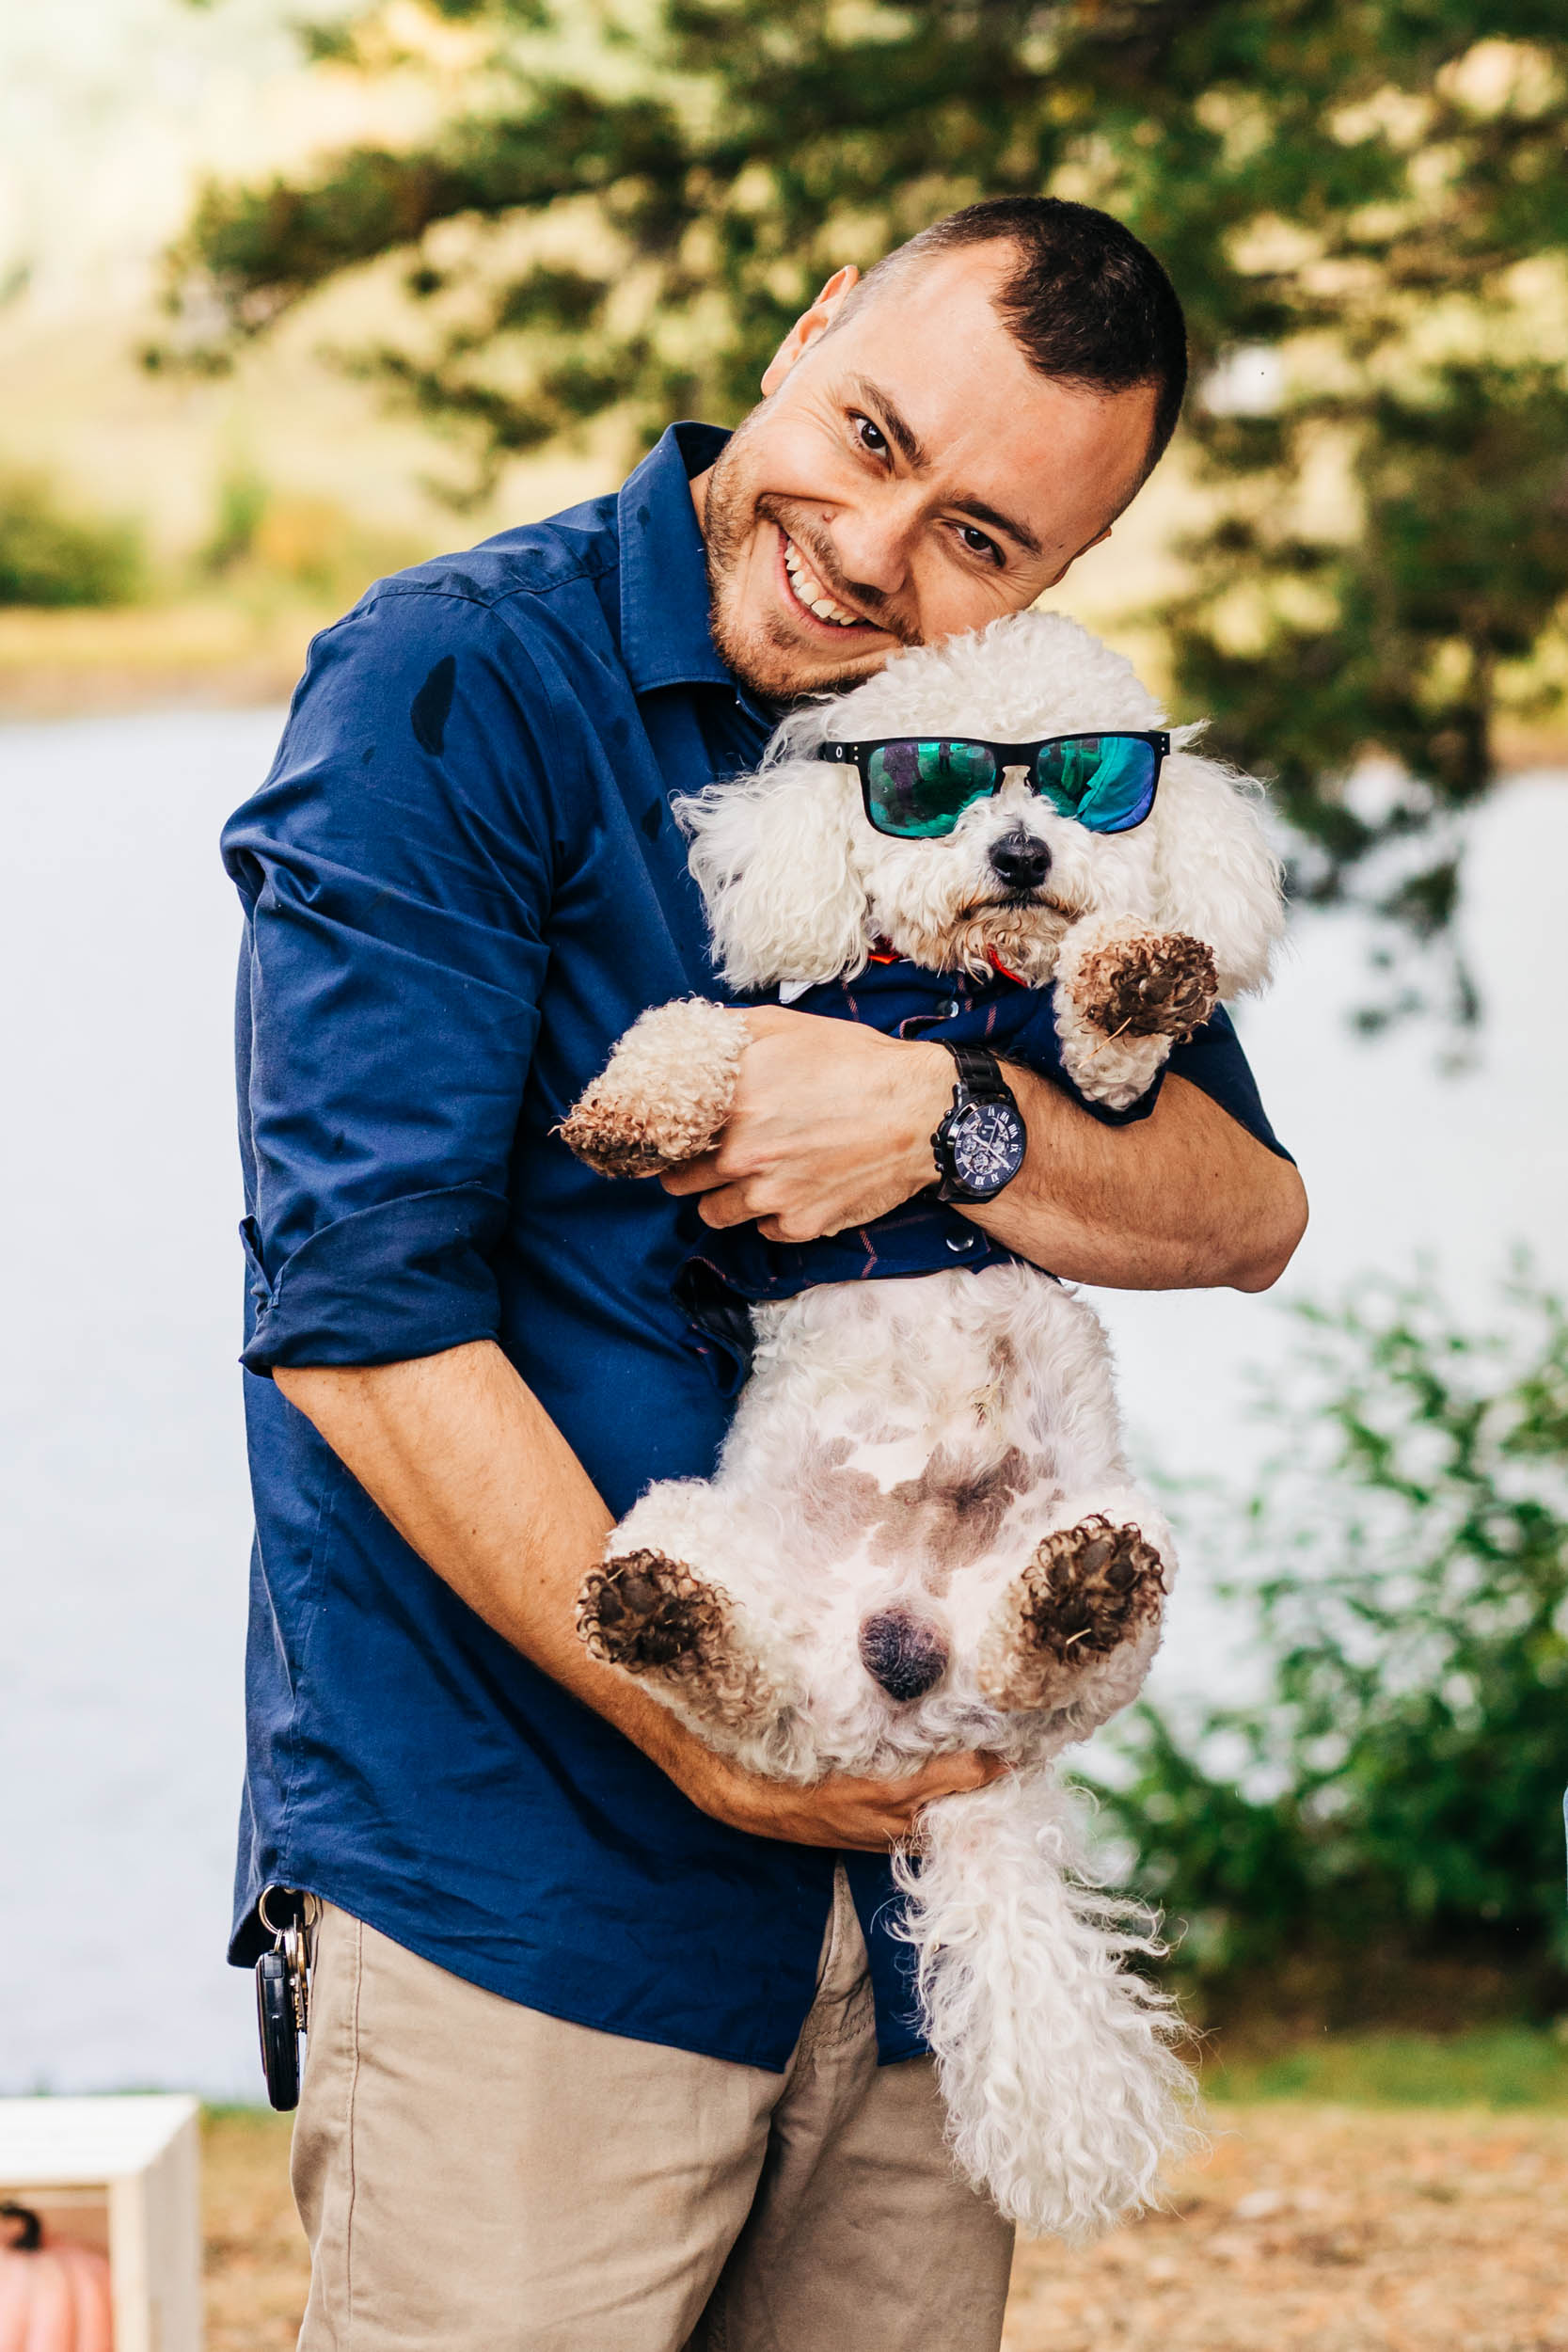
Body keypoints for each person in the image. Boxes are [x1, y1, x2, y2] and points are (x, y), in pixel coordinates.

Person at [223, 196, 1307, 2351]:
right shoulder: (451, 681)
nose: (876, 549)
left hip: (914, 1907)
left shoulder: (1007, 749)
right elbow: (354, 1314)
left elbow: (1236, 1204)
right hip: (533, 1896)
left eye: (984, 536)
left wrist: (944, 1126)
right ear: (813, 324)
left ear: (1054, 580)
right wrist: (688, 1720)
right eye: (872, 431)